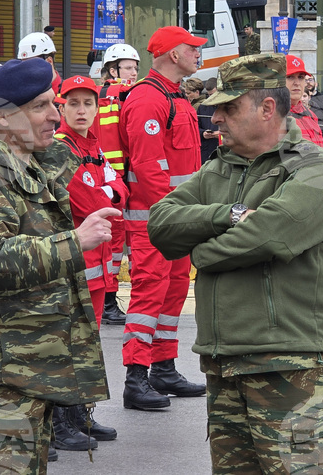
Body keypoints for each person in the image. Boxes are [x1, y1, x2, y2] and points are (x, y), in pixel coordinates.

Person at [147, 53, 323, 474]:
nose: (215, 117)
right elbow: (161, 225)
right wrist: (226, 215)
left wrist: (201, 252)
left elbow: (269, 235)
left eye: (229, 107)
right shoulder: (218, 169)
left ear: (267, 108)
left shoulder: (313, 168)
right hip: (223, 366)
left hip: (290, 366)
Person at [0, 58, 114, 471]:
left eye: (54, 104)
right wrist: (76, 241)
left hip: (27, 360)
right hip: (7, 366)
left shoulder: (24, 167)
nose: (55, 115)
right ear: (1, 114)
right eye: (41, 106)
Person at [118, 26, 207, 410]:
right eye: (193, 48)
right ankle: (135, 377)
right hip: (155, 220)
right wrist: (176, 214)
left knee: (172, 292)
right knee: (148, 295)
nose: (198, 54)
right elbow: (149, 167)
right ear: (173, 54)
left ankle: (163, 367)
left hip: (175, 218)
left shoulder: (174, 96)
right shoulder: (147, 100)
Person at [53, 74, 125, 446]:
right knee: (71, 341)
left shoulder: (93, 145)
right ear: (61, 106)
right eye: (74, 103)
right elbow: (93, 202)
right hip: (76, 263)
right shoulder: (62, 148)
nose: (82, 110)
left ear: (98, 107)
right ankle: (60, 421)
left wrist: (108, 191)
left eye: (88, 103)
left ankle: (80, 413)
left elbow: (119, 189)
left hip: (96, 264)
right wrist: (109, 191)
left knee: (88, 341)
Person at [94, 43, 140, 325]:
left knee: (108, 244)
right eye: (128, 67)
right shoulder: (121, 93)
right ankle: (110, 303)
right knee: (117, 243)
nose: (134, 73)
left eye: (135, 68)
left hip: (102, 178)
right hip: (118, 181)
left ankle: (107, 300)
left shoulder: (97, 95)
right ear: (113, 70)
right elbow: (119, 142)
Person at [286, 54, 323, 147]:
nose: (297, 83)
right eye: (290, 77)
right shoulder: (273, 116)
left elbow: (321, 147)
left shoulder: (311, 114)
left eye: (300, 77)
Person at [197, 78, 220, 164]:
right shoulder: (203, 107)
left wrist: (221, 134)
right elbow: (196, 127)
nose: (211, 97)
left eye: (213, 94)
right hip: (207, 153)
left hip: (224, 151)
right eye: (209, 95)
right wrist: (203, 134)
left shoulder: (228, 106)